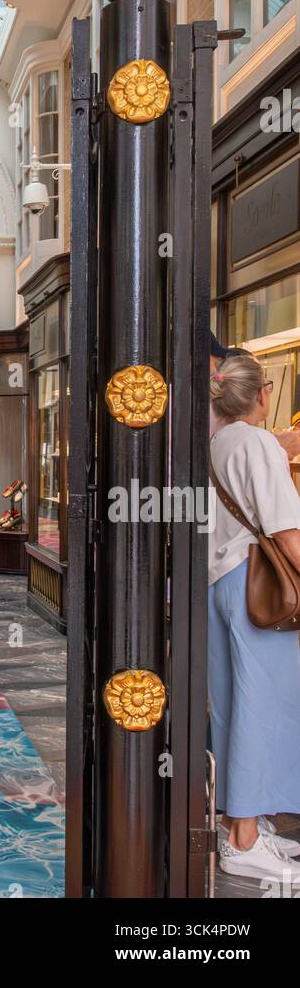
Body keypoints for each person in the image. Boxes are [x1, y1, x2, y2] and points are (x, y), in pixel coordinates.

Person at [209, 353, 300, 881]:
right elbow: (285, 529)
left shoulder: (216, 443)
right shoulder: (257, 442)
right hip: (256, 589)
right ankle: (244, 839)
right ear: (262, 395)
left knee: (230, 703)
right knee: (262, 706)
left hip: (221, 582)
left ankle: (241, 825)